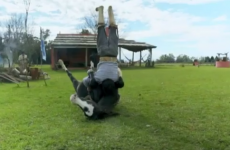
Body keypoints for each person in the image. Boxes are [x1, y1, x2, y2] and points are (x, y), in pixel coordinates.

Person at [83, 5, 121, 91]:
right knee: (100, 28)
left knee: (113, 28)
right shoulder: (98, 79)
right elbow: (85, 81)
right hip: (103, 55)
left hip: (114, 54)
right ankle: (100, 10)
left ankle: (110, 11)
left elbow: (119, 74)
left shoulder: (115, 79)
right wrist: (90, 85)